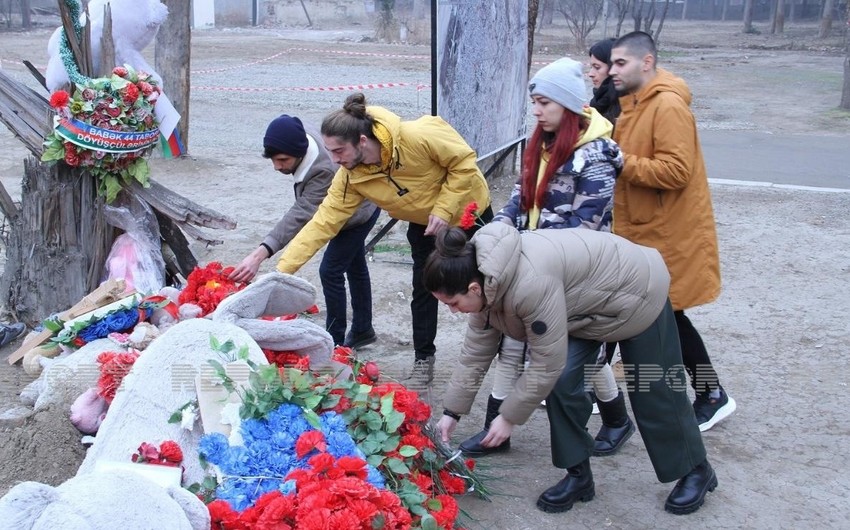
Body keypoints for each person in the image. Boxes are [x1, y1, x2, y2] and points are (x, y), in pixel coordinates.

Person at [427, 223, 717, 515]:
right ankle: (579, 477)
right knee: (563, 383)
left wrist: (508, 417)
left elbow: (545, 361)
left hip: (636, 289)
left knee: (653, 389)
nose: (453, 311)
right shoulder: (482, 280)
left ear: (474, 288)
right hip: (582, 306)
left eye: (453, 303)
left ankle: (696, 469)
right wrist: (452, 414)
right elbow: (475, 353)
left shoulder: (529, 283)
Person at [457, 57, 634, 459]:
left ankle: (617, 418)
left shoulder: (597, 157)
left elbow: (584, 230)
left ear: (569, 105)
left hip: (576, 273)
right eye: (534, 102)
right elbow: (518, 202)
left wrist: (525, 256)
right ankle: (494, 431)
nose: (536, 111)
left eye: (544, 103)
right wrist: (492, 237)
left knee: (578, 349)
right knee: (511, 344)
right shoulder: (540, 147)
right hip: (530, 265)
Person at [275, 93, 492, 386]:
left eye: (339, 152)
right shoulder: (350, 176)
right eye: (330, 152)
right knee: (424, 289)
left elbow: (464, 162)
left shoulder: (416, 136)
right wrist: (281, 273)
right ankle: (423, 360)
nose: (335, 161)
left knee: (490, 284)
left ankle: (511, 351)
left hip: (469, 212)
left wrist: (444, 208)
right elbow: (323, 222)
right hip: (424, 225)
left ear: (362, 142)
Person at [609, 31, 736, 431]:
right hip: (645, 233)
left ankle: (712, 395)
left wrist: (620, 161)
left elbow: (676, 171)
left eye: (620, 63)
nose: (612, 70)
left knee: (670, 317)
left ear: (646, 62)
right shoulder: (634, 106)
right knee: (654, 317)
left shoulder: (666, 106)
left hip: (667, 235)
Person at [230, 114, 380, 349]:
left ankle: (335, 340)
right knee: (354, 264)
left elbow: (300, 214)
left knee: (330, 270)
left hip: (358, 213)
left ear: (300, 153)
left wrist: (260, 254)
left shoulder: (324, 170)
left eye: (282, 159)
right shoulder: (300, 134)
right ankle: (362, 329)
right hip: (338, 209)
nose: (276, 166)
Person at [587, 38, 621, 125]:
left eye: (597, 67)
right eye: (591, 67)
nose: (590, 74)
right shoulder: (597, 102)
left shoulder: (625, 107)